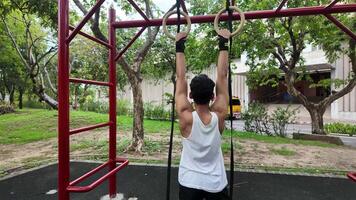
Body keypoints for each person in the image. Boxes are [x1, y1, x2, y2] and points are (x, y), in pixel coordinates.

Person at [175, 29, 231, 200]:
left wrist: (179, 46)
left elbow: (180, 77)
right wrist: (223, 43)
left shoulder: (186, 116)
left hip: (189, 182)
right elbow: (222, 76)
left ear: (190, 96)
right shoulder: (220, 114)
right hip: (215, 183)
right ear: (213, 97)